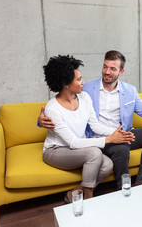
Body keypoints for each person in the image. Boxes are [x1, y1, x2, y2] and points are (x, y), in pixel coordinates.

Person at [39, 50, 142, 189]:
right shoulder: (86, 89)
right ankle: (123, 188)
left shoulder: (129, 91)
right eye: (105, 67)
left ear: (121, 72)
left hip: (120, 133)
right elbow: (61, 99)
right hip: (97, 137)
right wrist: (41, 121)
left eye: (113, 69)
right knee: (121, 148)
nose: (107, 72)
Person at [42, 55, 135, 203]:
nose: (83, 82)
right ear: (66, 83)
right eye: (79, 79)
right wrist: (109, 139)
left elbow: (95, 125)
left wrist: (116, 133)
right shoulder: (52, 108)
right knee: (94, 152)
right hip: (55, 150)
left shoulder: (84, 97)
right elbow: (72, 142)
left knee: (107, 164)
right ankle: (89, 198)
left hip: (77, 148)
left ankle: (75, 192)